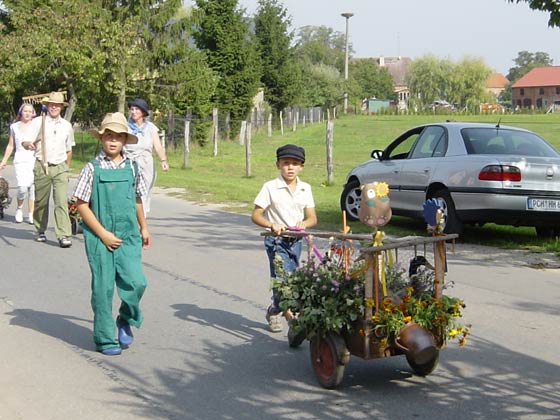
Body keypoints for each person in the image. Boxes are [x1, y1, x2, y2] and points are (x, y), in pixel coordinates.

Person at [72, 112, 150, 356]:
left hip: (128, 236)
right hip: (99, 238)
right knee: (103, 290)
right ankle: (105, 338)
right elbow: (81, 204)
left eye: (118, 137)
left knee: (137, 282)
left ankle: (126, 318)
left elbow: (138, 198)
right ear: (102, 139)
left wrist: (144, 227)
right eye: (109, 136)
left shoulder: (132, 167)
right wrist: (103, 234)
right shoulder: (91, 168)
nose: (113, 141)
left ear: (125, 140)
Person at [251, 144, 317, 333]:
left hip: (295, 240)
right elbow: (256, 215)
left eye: (295, 164)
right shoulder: (270, 187)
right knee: (281, 279)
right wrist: (271, 224)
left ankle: (274, 310)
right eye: (286, 163)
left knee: (294, 279)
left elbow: (313, 217)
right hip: (276, 240)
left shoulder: (305, 188)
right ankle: (292, 321)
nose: (290, 167)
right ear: (277, 165)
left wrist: (305, 223)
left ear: (301, 167)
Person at [22, 91, 75, 247]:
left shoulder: (67, 126)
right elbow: (26, 142)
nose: (54, 107)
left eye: (57, 105)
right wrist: (28, 145)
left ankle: (63, 234)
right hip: (42, 165)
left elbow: (69, 149)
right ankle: (40, 229)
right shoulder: (38, 122)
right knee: (41, 201)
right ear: (47, 106)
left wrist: (66, 168)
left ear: (61, 107)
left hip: (60, 166)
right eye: (51, 104)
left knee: (60, 201)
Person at [125, 98, 168, 217]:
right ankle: (130, 217)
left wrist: (163, 160)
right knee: (129, 191)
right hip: (129, 162)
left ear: (143, 112)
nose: (133, 112)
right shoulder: (125, 127)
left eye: (136, 109)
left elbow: (158, 146)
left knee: (144, 192)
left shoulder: (150, 128)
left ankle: (141, 218)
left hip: (146, 163)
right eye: (132, 109)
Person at [0, 103, 36, 224]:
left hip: (33, 158)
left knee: (32, 187)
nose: (28, 113)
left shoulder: (36, 126)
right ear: (21, 112)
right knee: (22, 187)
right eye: (25, 111)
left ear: (33, 114)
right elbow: (11, 145)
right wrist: (4, 161)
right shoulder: (14, 127)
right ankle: (19, 208)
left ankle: (31, 213)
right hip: (20, 159)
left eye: (30, 112)